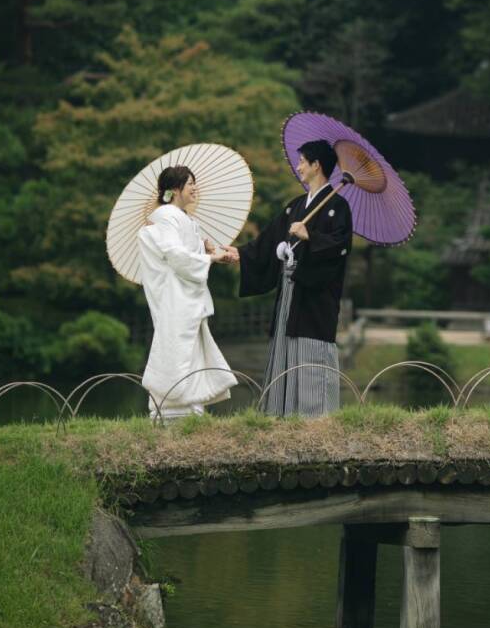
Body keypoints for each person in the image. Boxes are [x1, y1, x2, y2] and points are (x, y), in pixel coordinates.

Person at [224, 139, 352, 417]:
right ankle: (281, 414)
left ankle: (315, 418)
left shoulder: (338, 206)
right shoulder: (295, 206)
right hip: (290, 292)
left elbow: (339, 247)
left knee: (311, 349)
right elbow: (268, 241)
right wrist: (238, 254)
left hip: (314, 297)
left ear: (316, 165)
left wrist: (311, 236)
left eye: (302, 161)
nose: (298, 167)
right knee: (284, 346)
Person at [138, 164, 238, 420]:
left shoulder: (182, 218)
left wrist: (205, 252)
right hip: (177, 298)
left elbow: (184, 254)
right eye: (190, 183)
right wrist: (210, 259)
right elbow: (174, 255)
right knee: (178, 350)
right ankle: (174, 411)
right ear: (174, 189)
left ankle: (189, 408)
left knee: (189, 351)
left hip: (187, 297)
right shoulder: (169, 216)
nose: (195, 188)